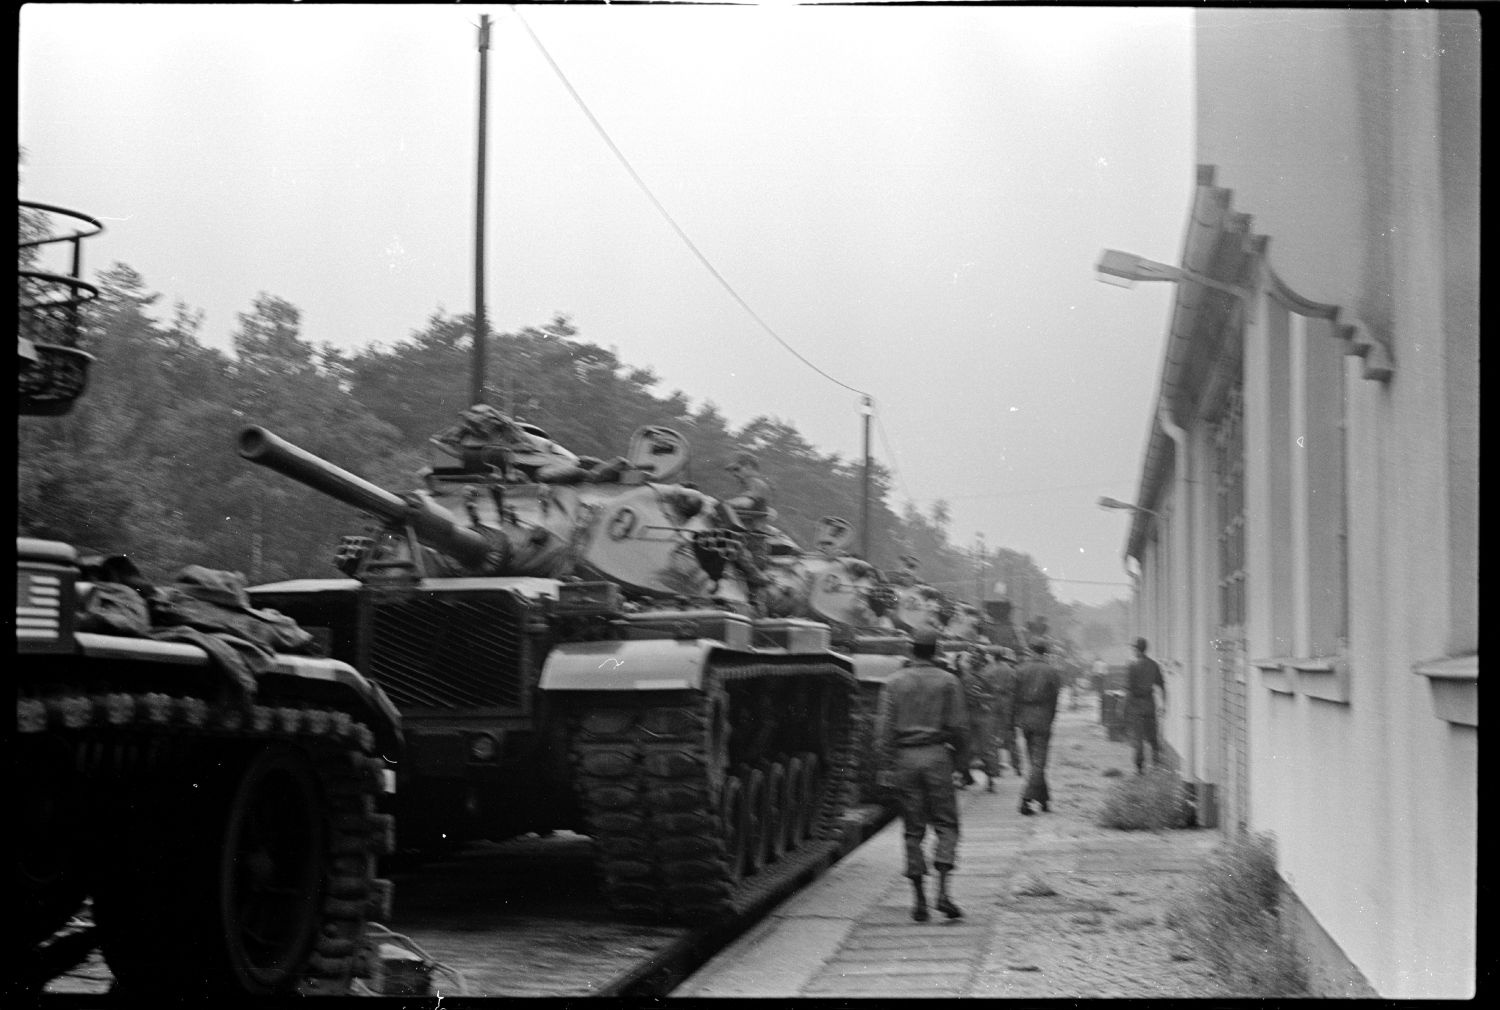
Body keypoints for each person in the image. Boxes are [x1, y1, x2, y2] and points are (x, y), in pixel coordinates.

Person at [875, 628, 969, 922]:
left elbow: (882, 733)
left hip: (905, 759)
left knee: (912, 830)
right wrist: (961, 764)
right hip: (937, 756)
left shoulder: (893, 683)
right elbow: (960, 728)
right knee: (946, 825)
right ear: (936, 650)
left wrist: (886, 766)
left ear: (910, 649)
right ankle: (943, 893)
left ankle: (918, 900)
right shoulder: (948, 681)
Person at [1013, 638, 1063, 816]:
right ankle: (1025, 800)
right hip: (1043, 717)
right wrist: (1051, 718)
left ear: (1031, 650)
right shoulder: (1052, 672)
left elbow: (1014, 696)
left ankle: (1044, 799)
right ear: (1045, 652)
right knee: (1039, 762)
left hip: (1025, 718)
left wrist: (1015, 720)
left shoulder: (1020, 669)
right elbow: (1056, 699)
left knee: (1034, 761)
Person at [961, 648, 1006, 792]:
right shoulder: (965, 676)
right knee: (965, 748)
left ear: (981, 660)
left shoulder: (987, 676)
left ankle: (990, 779)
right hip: (968, 714)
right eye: (971, 658)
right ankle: (964, 777)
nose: (973, 661)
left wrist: (981, 698)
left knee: (987, 748)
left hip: (983, 715)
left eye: (976, 658)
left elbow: (994, 695)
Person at [1125, 637, 1167, 774]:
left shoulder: (1132, 666)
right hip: (1149, 703)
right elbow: (1161, 685)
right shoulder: (1154, 665)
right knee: (1152, 736)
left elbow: (1129, 689)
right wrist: (1164, 704)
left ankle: (1139, 768)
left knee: (1138, 738)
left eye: (1134, 648)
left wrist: (1124, 707)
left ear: (1137, 649)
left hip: (1136, 705)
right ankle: (1156, 764)